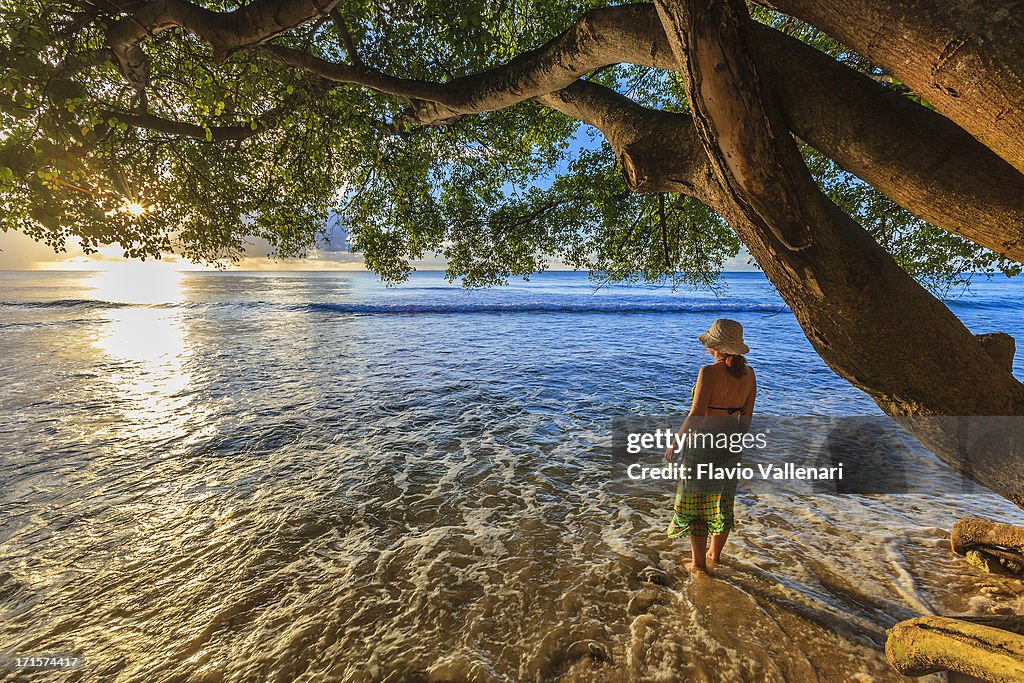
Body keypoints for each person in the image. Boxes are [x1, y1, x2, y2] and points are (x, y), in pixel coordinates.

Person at [664, 319, 756, 573]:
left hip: (703, 444)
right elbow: (746, 419)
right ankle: (715, 556)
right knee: (722, 501)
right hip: (731, 444)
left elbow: (696, 415)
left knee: (696, 502)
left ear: (714, 347)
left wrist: (676, 442)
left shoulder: (708, 372)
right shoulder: (749, 374)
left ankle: (698, 564)